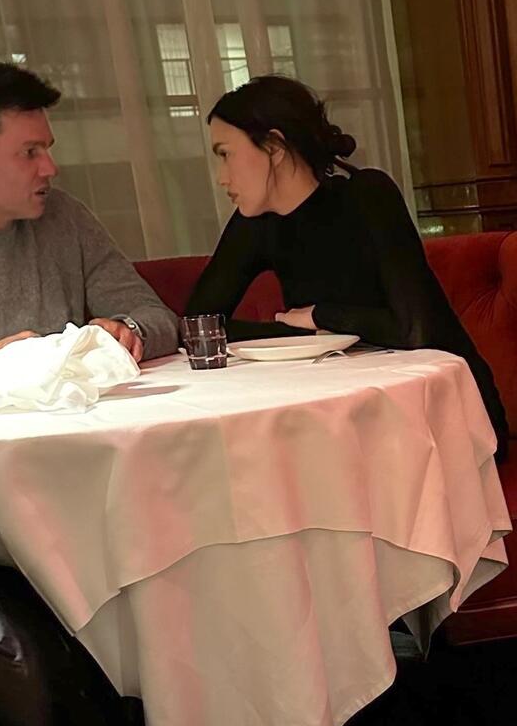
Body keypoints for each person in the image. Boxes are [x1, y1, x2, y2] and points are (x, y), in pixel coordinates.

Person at [186, 74, 508, 461]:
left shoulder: (367, 194)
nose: (221, 177)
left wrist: (321, 317)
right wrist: (300, 334)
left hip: (449, 415)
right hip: (354, 416)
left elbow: (416, 329)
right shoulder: (255, 225)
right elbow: (198, 325)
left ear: (274, 147)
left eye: (225, 154)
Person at [0, 55, 178, 381]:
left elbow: (158, 318)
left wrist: (128, 331)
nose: (50, 168)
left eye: (46, 149)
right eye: (30, 152)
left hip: (76, 411)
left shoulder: (63, 217)